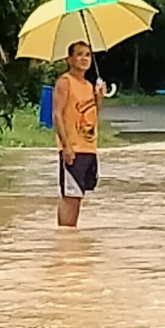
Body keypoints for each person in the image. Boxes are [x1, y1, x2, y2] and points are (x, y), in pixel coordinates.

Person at [53, 41, 106, 228]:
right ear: (70, 59)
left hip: (88, 147)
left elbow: (92, 115)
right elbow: (57, 114)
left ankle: (71, 237)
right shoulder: (65, 82)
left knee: (79, 195)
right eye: (80, 54)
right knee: (70, 196)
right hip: (72, 149)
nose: (84, 59)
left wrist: (99, 98)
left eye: (88, 55)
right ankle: (65, 238)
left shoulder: (89, 85)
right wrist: (66, 146)